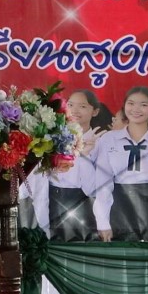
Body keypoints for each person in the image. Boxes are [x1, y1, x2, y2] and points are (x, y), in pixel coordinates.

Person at [91, 86, 148, 242]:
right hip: (120, 208)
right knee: (122, 255)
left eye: (143, 104)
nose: (136, 109)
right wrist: (103, 222)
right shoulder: (109, 139)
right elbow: (103, 184)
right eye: (131, 103)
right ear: (124, 106)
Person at [45, 89, 104, 241]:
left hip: (83, 207)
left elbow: (92, 189)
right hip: (51, 202)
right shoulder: (52, 137)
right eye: (70, 105)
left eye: (82, 106)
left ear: (95, 111)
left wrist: (84, 156)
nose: (75, 110)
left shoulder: (101, 142)